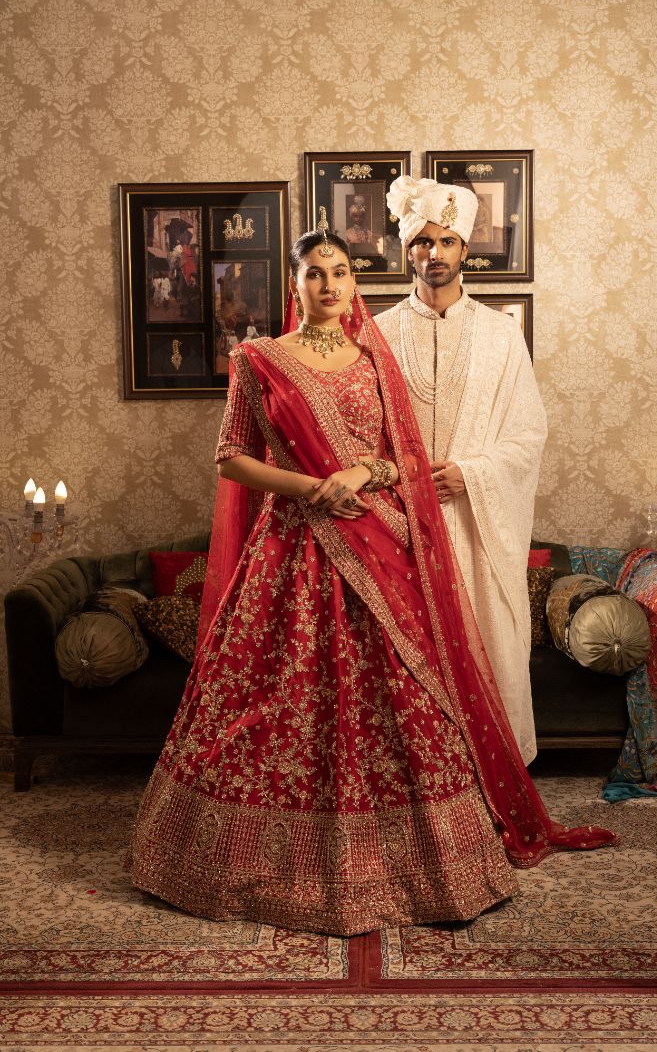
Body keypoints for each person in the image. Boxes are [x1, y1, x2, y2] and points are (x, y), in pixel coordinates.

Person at [127, 225, 615, 936]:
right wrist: (308, 486)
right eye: (314, 273)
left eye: (341, 272)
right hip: (290, 550)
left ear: (355, 283)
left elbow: (402, 459)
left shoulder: (373, 360)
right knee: (270, 700)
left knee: (408, 697)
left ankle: (426, 864)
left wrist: (361, 473)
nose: (328, 285)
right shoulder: (259, 359)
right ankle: (249, 858)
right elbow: (231, 456)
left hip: (376, 539)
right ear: (293, 285)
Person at [376, 177, 546, 765]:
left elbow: (528, 435)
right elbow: (358, 429)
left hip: (475, 528)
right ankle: (420, 787)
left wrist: (470, 473)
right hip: (398, 525)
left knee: (486, 643)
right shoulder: (377, 333)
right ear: (407, 251)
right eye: (423, 242)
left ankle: (490, 778)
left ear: (465, 250)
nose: (435, 254)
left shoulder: (502, 334)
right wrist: (402, 482)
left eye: (447, 241)